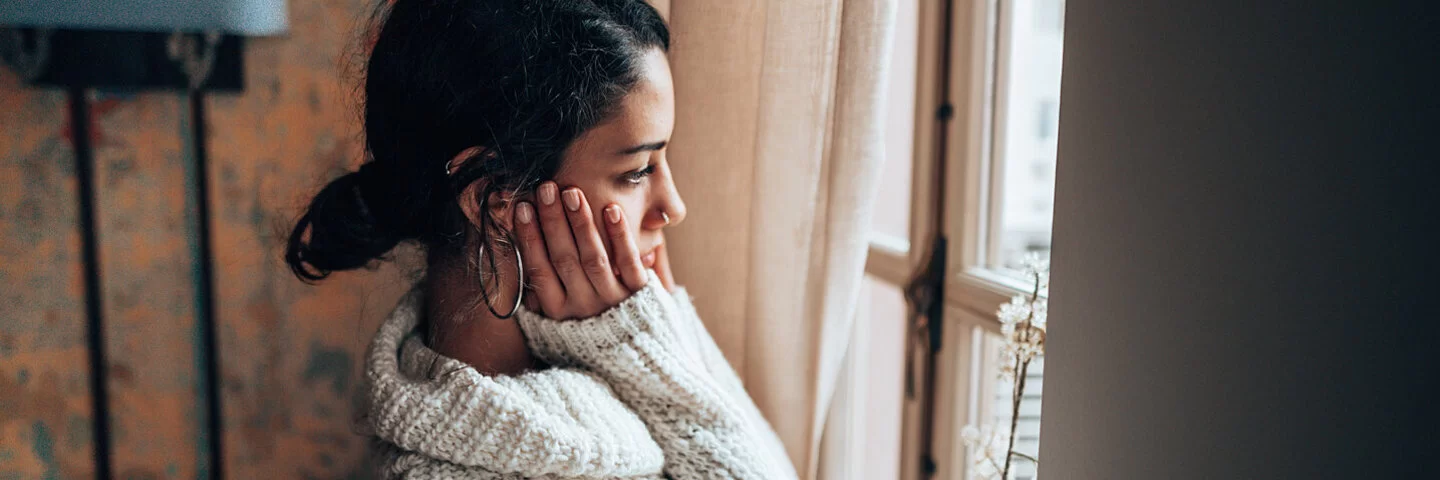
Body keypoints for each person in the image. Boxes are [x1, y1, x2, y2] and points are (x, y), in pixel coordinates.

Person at [283, 0, 798, 478]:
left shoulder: (607, 358)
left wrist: (642, 347)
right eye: (639, 170)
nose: (673, 208)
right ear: (501, 198)